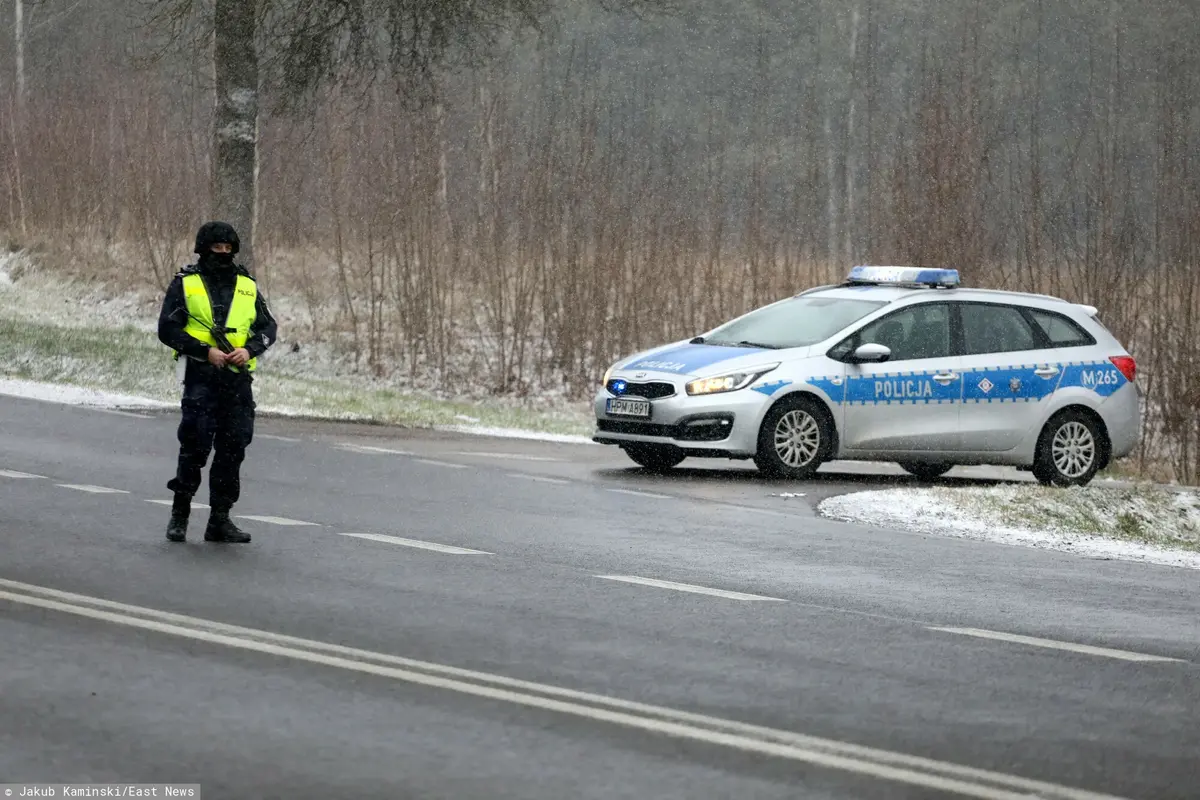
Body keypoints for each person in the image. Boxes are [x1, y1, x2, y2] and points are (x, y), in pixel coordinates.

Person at [157, 221, 277, 543]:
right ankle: (179, 515)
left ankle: (219, 520)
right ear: (203, 249)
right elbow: (167, 330)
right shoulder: (186, 284)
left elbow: (269, 329)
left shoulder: (247, 286)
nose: (223, 254)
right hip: (201, 378)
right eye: (217, 248)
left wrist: (247, 349)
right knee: (194, 447)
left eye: (228, 248)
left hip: (237, 382)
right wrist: (203, 351)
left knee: (232, 449)